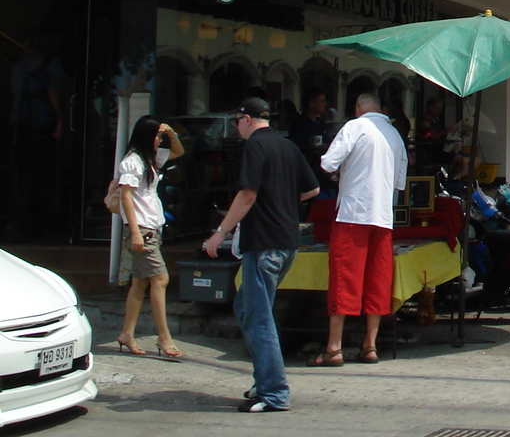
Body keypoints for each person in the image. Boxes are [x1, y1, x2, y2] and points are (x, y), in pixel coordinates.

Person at [203, 98, 319, 413]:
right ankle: (264, 379)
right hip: (287, 242)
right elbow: (312, 190)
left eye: (238, 120)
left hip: (264, 242)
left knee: (258, 317)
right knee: (247, 307)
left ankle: (274, 392)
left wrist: (220, 232)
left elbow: (247, 194)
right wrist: (282, 198)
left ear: (247, 120)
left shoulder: (255, 147)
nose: (237, 126)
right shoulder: (288, 147)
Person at [310, 93, 408, 367]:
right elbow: (399, 183)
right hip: (383, 217)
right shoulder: (395, 136)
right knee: (378, 279)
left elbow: (328, 163)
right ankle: (370, 345)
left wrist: (344, 172)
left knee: (344, 278)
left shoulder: (354, 127)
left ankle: (334, 346)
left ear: (357, 109)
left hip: (353, 213)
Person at [115, 116, 185, 358]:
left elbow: (179, 151)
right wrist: (134, 231)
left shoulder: (151, 159)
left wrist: (171, 133)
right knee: (160, 279)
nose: (159, 140)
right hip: (141, 229)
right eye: (156, 136)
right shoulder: (133, 161)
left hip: (151, 228)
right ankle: (164, 337)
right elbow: (126, 196)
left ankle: (127, 332)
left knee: (141, 282)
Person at [10, 32, 66, 237]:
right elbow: (52, 92)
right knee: (42, 175)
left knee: (24, 175)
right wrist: (59, 120)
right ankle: (36, 223)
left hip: (21, 126)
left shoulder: (18, 66)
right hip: (42, 129)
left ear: (26, 45)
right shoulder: (51, 63)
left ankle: (21, 221)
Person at [289, 92, 333, 169]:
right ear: (312, 104)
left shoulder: (321, 122)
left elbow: (328, 140)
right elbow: (297, 146)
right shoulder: (299, 123)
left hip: (321, 165)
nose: (324, 104)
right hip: (305, 166)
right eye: (322, 101)